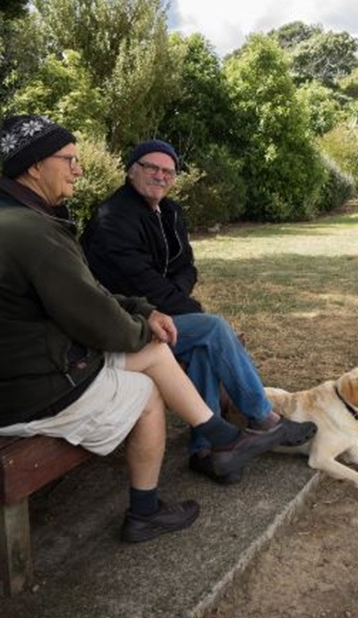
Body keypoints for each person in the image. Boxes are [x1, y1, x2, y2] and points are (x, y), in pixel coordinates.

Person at [0, 114, 311, 543]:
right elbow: (95, 315)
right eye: (69, 159)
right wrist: (147, 322)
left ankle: (218, 440)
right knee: (150, 387)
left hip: (35, 365)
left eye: (168, 171)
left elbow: (118, 285)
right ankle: (150, 505)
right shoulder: (34, 230)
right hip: (28, 391)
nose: (78, 169)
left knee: (161, 350)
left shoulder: (19, 219)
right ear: (33, 166)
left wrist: (144, 312)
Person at [81, 139, 313, 485]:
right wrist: (192, 311)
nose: (160, 176)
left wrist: (181, 300)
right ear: (132, 171)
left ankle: (206, 452)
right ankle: (264, 420)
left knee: (205, 342)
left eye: (168, 171)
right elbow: (139, 282)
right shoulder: (113, 218)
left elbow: (187, 267)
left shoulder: (171, 212)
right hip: (123, 324)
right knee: (213, 330)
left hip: (163, 316)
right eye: (151, 167)